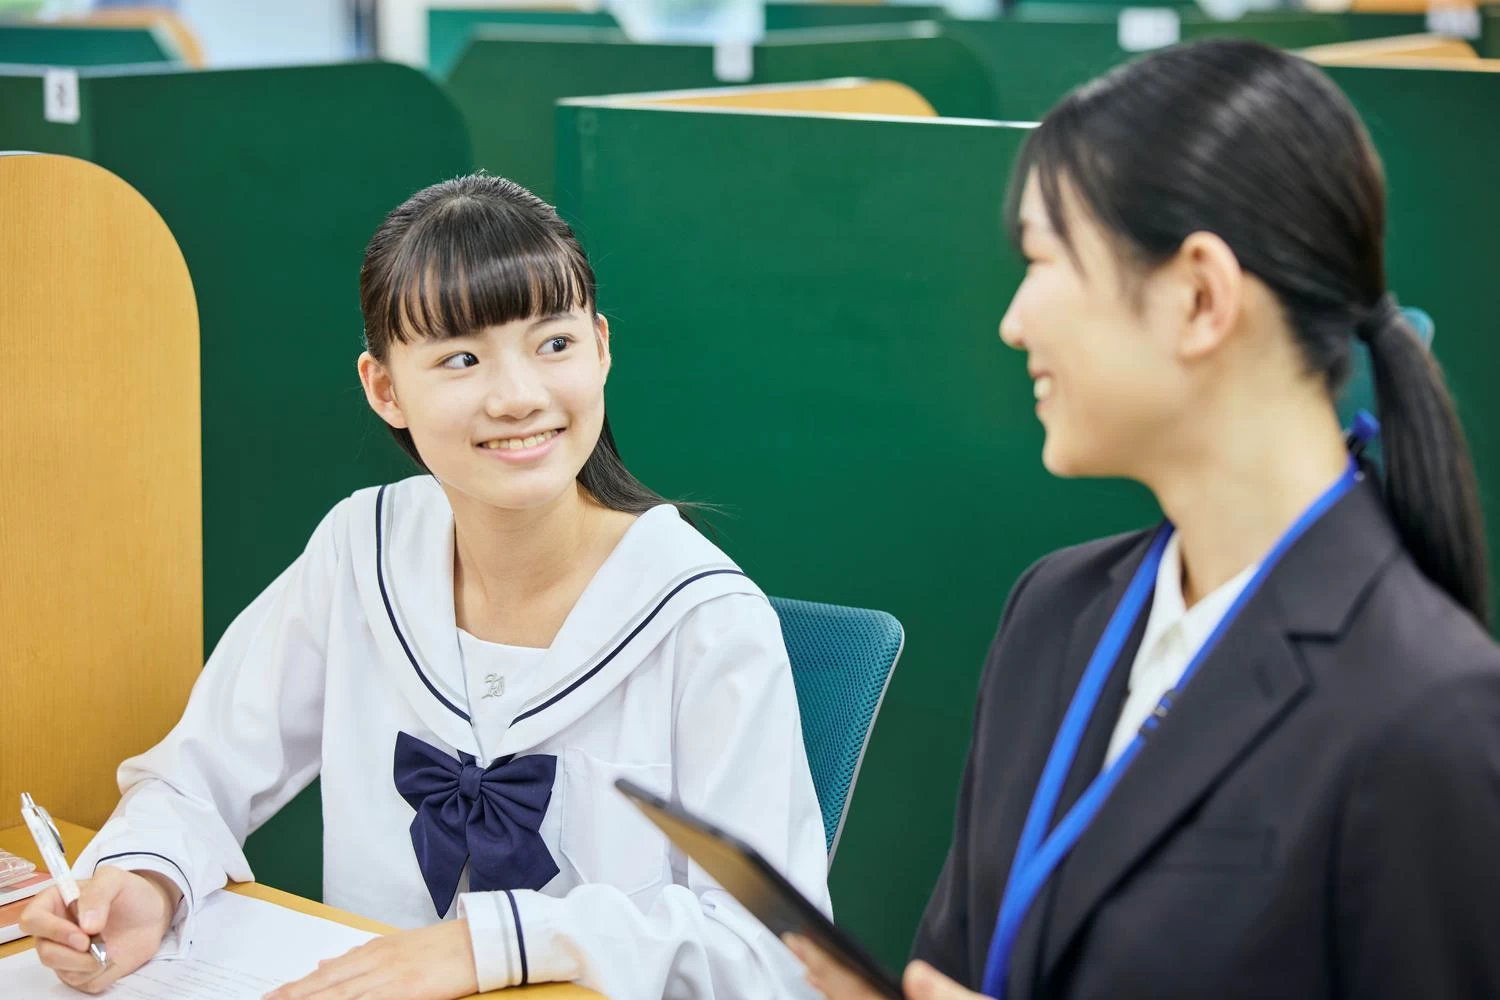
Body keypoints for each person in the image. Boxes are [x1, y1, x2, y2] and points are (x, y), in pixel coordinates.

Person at [789, 38, 1500, 999]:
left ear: (1200, 297)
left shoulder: (1428, 711)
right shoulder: (1057, 611)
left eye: (1042, 259)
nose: (1013, 319)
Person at [22, 174, 830, 999]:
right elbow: (200, 774)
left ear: (601, 347)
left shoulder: (705, 618)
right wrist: (142, 877)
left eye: (554, 343)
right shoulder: (362, 550)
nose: (519, 396)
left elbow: (775, 955)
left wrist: (496, 946)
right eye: (462, 358)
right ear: (384, 390)